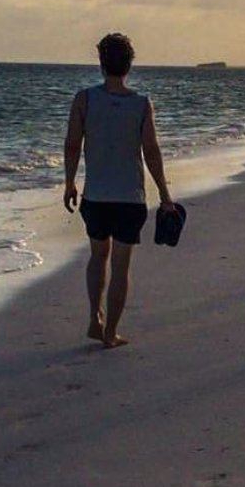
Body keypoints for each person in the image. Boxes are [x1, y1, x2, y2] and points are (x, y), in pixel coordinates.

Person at [63, 33, 177, 348]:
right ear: (129, 66)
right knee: (121, 265)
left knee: (98, 255)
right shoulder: (141, 104)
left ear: (101, 63)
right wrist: (165, 196)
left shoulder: (84, 99)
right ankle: (111, 332)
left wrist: (69, 182)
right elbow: (151, 152)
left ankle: (94, 317)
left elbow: (73, 145)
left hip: (96, 196)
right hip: (129, 198)